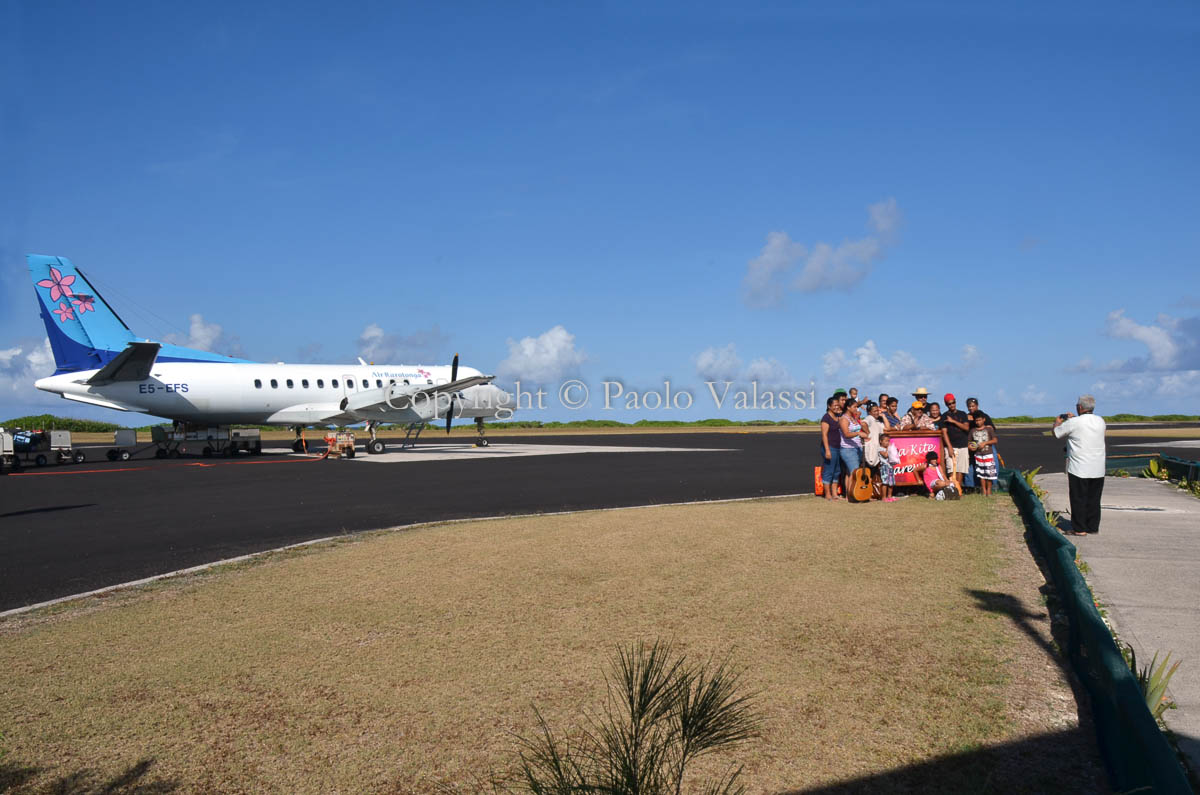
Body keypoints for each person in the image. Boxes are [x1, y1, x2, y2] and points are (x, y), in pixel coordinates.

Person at [1053, 395, 1106, 535]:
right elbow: (1084, 428)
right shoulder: (1100, 421)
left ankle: (1079, 528)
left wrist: (1057, 422)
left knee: (1078, 498)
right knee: (1094, 499)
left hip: (1079, 466)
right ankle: (1092, 527)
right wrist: (1073, 419)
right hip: (1098, 466)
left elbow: (1057, 433)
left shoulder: (1075, 422)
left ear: (1080, 407)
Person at [838, 398, 869, 499]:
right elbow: (846, 434)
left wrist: (864, 436)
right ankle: (853, 495)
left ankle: (849, 494)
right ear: (848, 407)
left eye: (857, 406)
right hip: (848, 449)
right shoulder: (844, 419)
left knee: (850, 472)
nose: (857, 409)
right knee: (854, 472)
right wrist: (858, 433)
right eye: (854, 407)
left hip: (857, 447)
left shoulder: (853, 418)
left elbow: (857, 432)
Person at [939, 393, 971, 490]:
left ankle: (958, 489)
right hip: (951, 446)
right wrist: (949, 447)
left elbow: (966, 428)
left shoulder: (962, 414)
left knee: (961, 469)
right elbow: (944, 433)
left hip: (963, 445)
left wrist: (953, 421)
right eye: (949, 404)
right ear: (946, 404)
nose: (952, 405)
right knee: (951, 469)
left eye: (953, 403)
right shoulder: (944, 416)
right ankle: (952, 489)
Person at [820, 397, 844, 501]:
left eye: (838, 405)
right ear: (829, 406)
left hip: (839, 447)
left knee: (837, 471)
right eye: (834, 405)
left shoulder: (839, 416)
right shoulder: (826, 418)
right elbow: (824, 435)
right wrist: (827, 450)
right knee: (829, 470)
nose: (836, 407)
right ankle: (827, 494)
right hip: (830, 447)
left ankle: (835, 494)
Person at [969, 412, 998, 496]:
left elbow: (995, 440)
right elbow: (969, 442)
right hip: (978, 455)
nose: (978, 422)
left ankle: (989, 490)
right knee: (981, 473)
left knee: (989, 473)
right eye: (976, 420)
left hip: (988, 454)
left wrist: (985, 443)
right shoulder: (972, 431)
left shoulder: (989, 429)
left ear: (984, 420)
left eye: (979, 420)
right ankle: (983, 490)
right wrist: (970, 446)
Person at [862, 402, 886, 497]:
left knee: (873, 472)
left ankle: (871, 493)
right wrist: (868, 433)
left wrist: (883, 416)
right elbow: (863, 423)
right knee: (869, 471)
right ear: (869, 412)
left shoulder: (877, 421)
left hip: (876, 448)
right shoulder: (870, 418)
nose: (876, 412)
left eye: (877, 410)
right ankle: (867, 492)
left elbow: (886, 428)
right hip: (870, 448)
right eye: (874, 411)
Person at [879, 432, 899, 502]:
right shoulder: (880, 449)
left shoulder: (888, 448)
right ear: (881, 441)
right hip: (884, 467)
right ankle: (884, 497)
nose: (888, 443)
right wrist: (888, 449)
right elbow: (886, 455)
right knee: (885, 482)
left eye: (888, 441)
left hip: (890, 467)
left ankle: (889, 496)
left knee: (891, 482)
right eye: (886, 441)